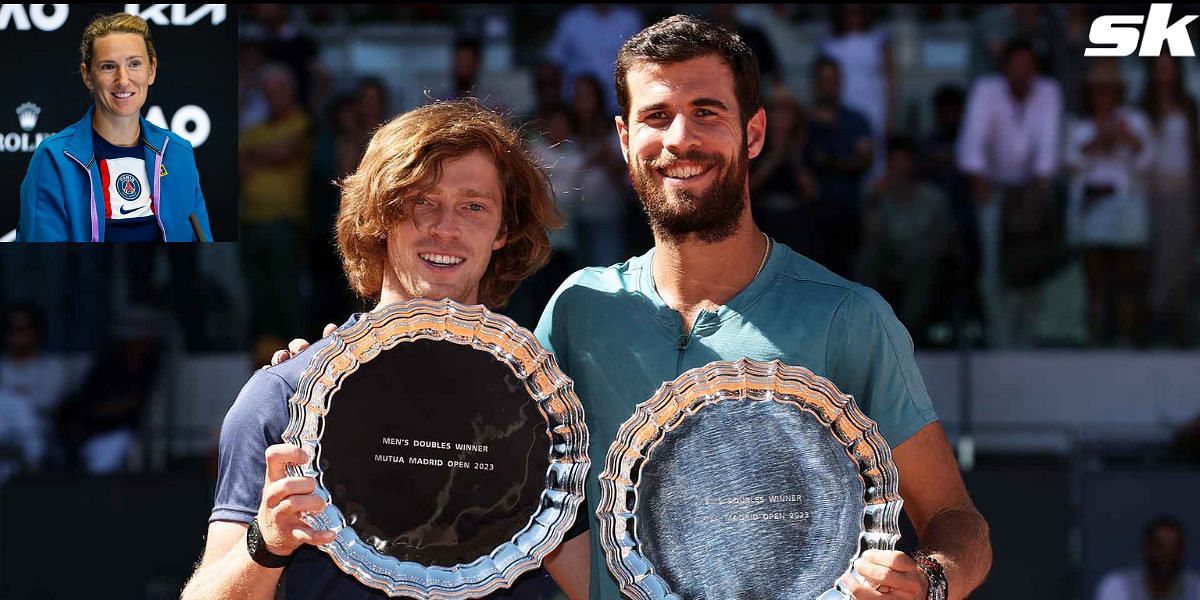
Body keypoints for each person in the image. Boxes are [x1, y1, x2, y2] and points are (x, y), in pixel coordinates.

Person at [536, 15, 991, 599]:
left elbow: (957, 520)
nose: (680, 138)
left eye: (707, 111)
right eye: (656, 116)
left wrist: (931, 579)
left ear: (753, 134)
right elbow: (513, 500)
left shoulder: (848, 317)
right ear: (624, 139)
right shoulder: (580, 309)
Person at [180, 99, 567, 599]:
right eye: (421, 201)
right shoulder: (285, 397)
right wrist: (268, 539)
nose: (445, 227)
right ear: (380, 217)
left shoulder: (543, 412)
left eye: (474, 205)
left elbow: (600, 583)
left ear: (503, 231)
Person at [17, 12, 212, 242]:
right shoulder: (53, 158)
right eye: (108, 67)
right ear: (87, 76)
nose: (123, 79)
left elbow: (203, 250)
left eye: (135, 64)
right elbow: (43, 265)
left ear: (152, 70)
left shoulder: (179, 153)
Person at [956, 37, 1063, 348]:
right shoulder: (986, 91)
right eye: (1016, 65)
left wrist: (1037, 194)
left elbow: (1048, 144)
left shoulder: (1048, 92)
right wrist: (981, 183)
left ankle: (1026, 338)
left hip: (1033, 193)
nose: (1022, 72)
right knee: (993, 270)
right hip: (994, 191)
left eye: (1028, 66)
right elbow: (973, 144)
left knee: (1032, 268)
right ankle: (998, 339)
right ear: (1005, 68)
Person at [1063, 59, 1154, 347]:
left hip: (1126, 209)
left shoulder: (1135, 121)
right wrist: (1095, 141)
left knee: (1127, 281)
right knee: (1095, 283)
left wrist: (1128, 139)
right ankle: (1094, 340)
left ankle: (1127, 338)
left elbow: (1148, 160)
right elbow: (1067, 161)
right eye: (1098, 90)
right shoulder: (1077, 125)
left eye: (1109, 90)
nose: (1103, 96)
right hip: (1092, 211)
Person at [1095, 515, 1200, 600]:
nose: (1167, 554)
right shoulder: (1118, 586)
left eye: (1174, 547)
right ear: (1146, 549)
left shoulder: (1196, 588)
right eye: (1160, 546)